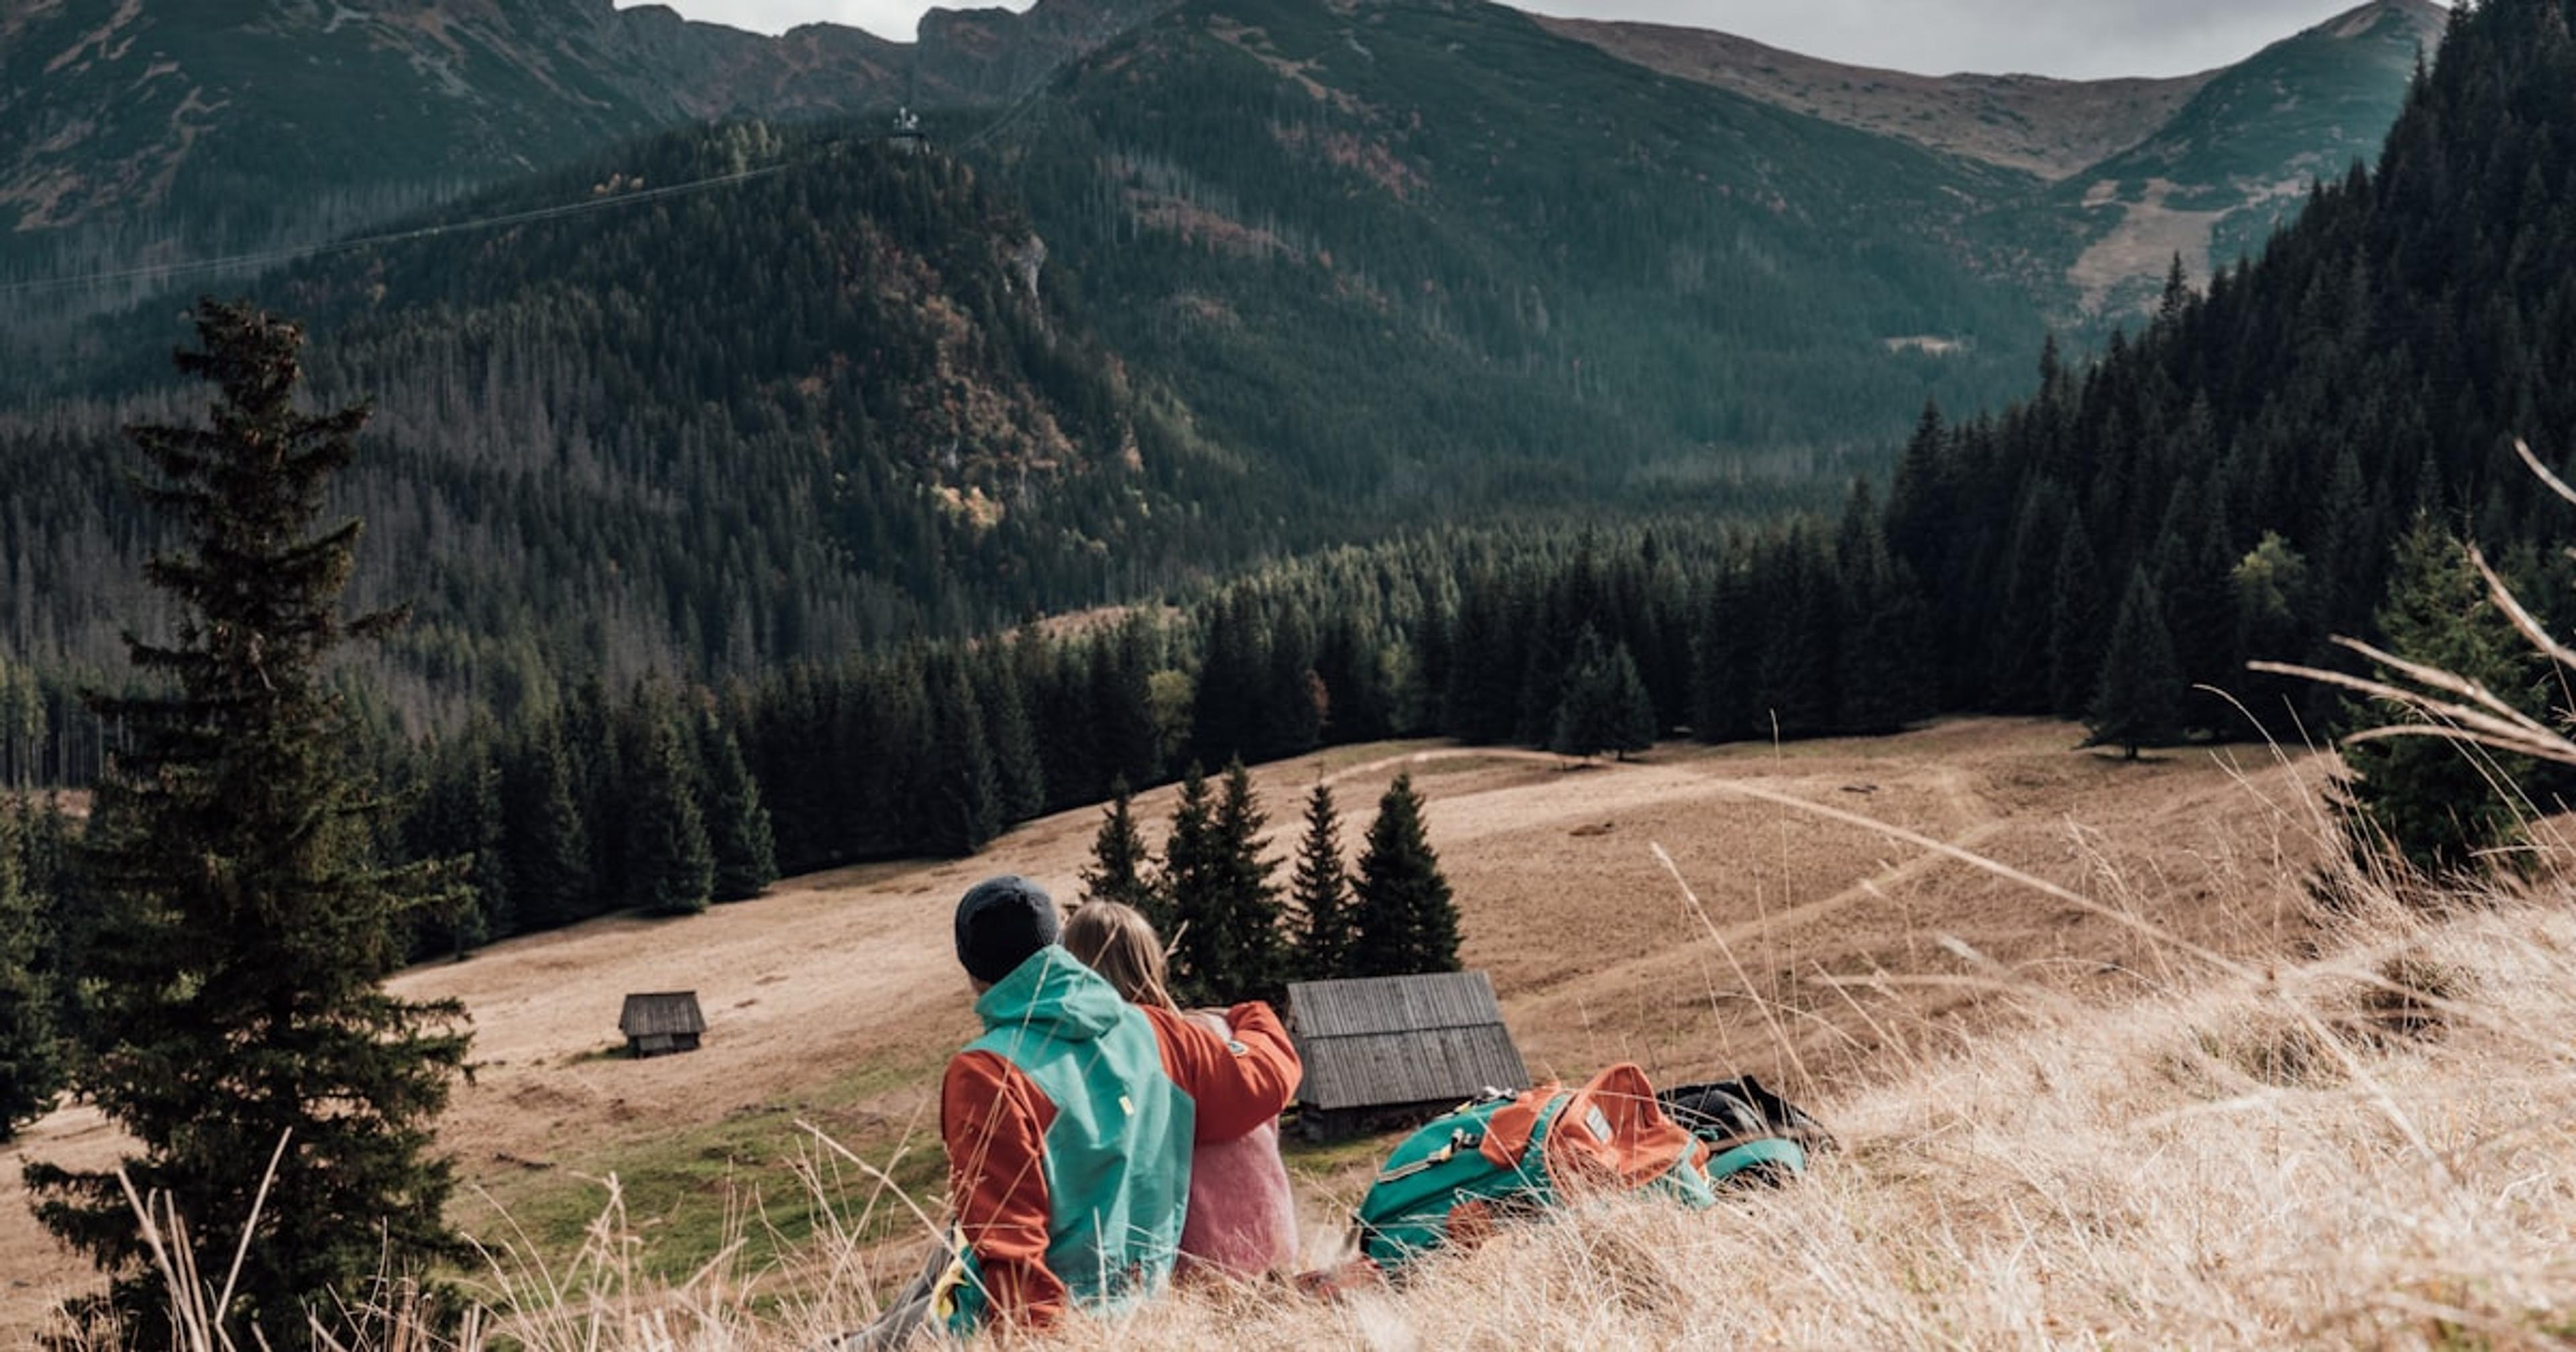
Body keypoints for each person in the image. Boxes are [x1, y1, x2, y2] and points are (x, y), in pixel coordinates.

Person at [932, 876, 1300, 1335]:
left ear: (974, 974)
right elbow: (1259, 1083)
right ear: (1056, 947)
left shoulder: (986, 1072)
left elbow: (1011, 1251)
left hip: (1047, 1329)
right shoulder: (1155, 1031)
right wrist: (1255, 1017)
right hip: (1146, 1315)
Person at [1062, 901, 1301, 1281]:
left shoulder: (1092, 1064)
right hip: (1277, 1252)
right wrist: (1246, 1017)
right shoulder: (1220, 1031)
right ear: (1154, 961)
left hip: (1186, 1275)